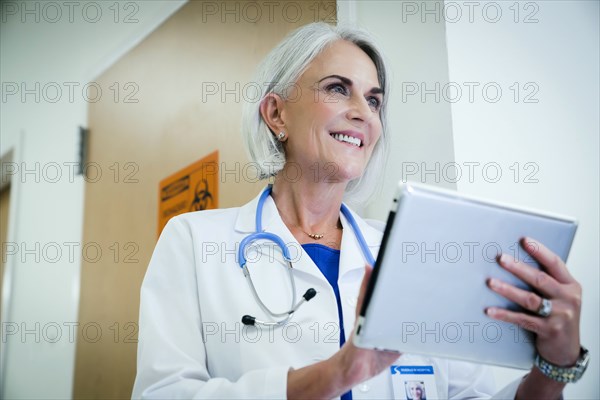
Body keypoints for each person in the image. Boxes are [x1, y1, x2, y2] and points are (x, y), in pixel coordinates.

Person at [132, 22, 587, 399]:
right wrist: (337, 373)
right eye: (337, 89)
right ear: (276, 114)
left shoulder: (414, 252)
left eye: (373, 100)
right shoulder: (194, 241)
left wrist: (552, 369)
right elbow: (164, 393)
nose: (364, 114)